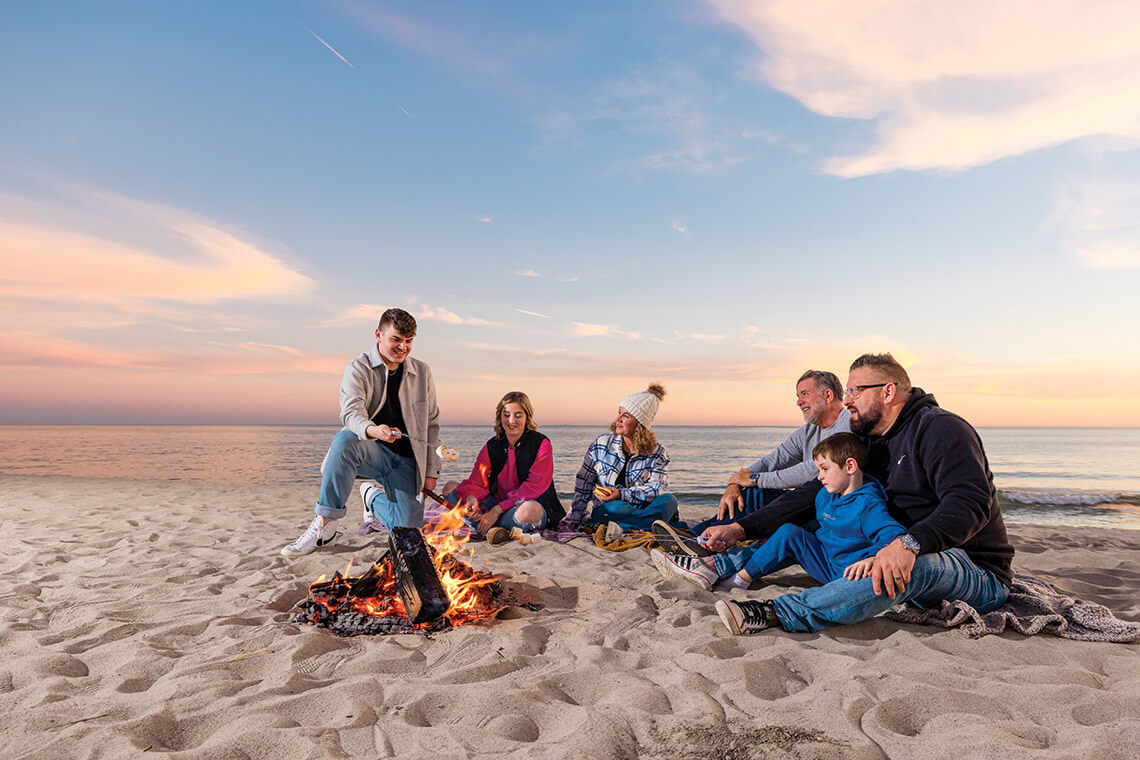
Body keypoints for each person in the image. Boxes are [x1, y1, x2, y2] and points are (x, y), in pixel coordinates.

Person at [699, 353, 1014, 635]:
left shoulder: (941, 430)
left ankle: (779, 612)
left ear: (888, 391)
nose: (847, 401)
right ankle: (719, 566)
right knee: (817, 517)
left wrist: (907, 544)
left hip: (972, 567)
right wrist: (742, 527)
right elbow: (812, 492)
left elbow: (969, 504)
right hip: (891, 548)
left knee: (905, 566)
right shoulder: (871, 441)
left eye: (855, 391)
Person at [651, 433, 904, 595]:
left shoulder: (868, 505)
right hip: (824, 560)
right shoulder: (826, 493)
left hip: (848, 574)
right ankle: (737, 579)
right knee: (788, 531)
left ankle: (715, 567)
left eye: (825, 469)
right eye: (818, 469)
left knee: (790, 533)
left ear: (850, 466)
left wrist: (873, 559)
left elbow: (896, 537)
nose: (819, 476)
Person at [281, 308, 440, 557]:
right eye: (396, 339)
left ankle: (373, 499)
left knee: (407, 534)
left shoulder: (423, 372)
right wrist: (373, 430)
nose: (403, 347)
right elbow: (350, 413)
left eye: (408, 341)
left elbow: (432, 423)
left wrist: (431, 471)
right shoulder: (358, 368)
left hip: (408, 462)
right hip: (372, 451)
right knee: (344, 440)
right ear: (378, 334)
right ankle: (325, 524)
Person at [654, 369, 849, 553]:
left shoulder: (846, 426)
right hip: (802, 503)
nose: (799, 402)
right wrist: (735, 483)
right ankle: (697, 535)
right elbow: (774, 459)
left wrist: (754, 478)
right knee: (753, 493)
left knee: (756, 488)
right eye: (797, 396)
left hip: (825, 509)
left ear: (828, 395)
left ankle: (694, 537)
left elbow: (812, 471)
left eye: (804, 394)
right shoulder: (809, 431)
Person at [422, 391, 564, 541]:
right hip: (495, 503)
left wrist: (496, 511)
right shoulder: (492, 445)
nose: (511, 421)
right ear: (500, 416)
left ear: (527, 417)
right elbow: (477, 481)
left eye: (518, 415)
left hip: (521, 506)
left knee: (530, 510)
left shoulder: (541, 444)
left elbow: (534, 487)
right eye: (506, 414)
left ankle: (485, 526)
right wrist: (472, 498)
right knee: (450, 487)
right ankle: (495, 528)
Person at [562, 383, 678, 532]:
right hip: (609, 509)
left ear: (640, 424)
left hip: (643, 508)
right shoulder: (601, 445)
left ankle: (626, 528)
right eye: (619, 413)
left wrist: (622, 494)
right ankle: (652, 527)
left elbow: (655, 489)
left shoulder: (658, 453)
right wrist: (575, 518)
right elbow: (584, 483)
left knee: (669, 500)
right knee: (618, 507)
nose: (618, 419)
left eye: (626, 416)